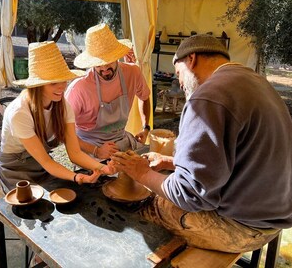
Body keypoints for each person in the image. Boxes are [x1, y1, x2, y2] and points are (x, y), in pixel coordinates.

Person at [110, 34, 292, 253]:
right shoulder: (254, 81)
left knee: (146, 207)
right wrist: (171, 162)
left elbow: (190, 195)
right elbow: (236, 159)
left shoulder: (207, 97)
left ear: (192, 59)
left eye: (178, 74)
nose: (179, 82)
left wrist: (141, 174)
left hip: (241, 228)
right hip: (271, 216)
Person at [0, 41, 114, 198]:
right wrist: (77, 177)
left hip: (40, 166)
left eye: (64, 80)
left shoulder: (62, 105)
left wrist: (103, 168)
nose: (62, 87)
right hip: (15, 169)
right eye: (54, 83)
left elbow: (75, 153)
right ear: (38, 85)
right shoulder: (19, 113)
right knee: (32, 207)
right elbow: (47, 163)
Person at [65, 23, 151, 160]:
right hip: (90, 146)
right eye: (98, 63)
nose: (104, 68)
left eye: (109, 61)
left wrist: (146, 127)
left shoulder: (132, 72)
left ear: (117, 56)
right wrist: (96, 151)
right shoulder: (79, 88)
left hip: (121, 139)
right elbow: (64, 131)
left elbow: (145, 97)